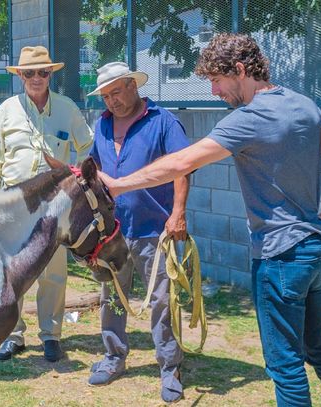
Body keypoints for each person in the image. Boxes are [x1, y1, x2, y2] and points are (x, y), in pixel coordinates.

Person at [99, 34, 321, 406]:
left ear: (240, 70)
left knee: (285, 367)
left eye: (217, 81)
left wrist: (119, 186)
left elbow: (181, 162)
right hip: (317, 249)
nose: (215, 91)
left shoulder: (248, 119)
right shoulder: (303, 105)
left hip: (280, 257)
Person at [85, 62, 190, 403]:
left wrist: (177, 214)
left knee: (161, 299)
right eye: (105, 96)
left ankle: (170, 367)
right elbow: (94, 169)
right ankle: (114, 356)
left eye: (116, 92)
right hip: (112, 231)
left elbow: (183, 168)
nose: (111, 101)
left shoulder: (162, 121)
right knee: (112, 294)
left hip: (153, 230)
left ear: (133, 85)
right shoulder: (101, 125)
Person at [0, 45, 93, 363]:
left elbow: (88, 147)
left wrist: (78, 182)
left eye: (42, 72)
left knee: (53, 272)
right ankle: (13, 335)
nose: (36, 78)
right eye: (29, 73)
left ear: (50, 74)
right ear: (20, 76)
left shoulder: (67, 108)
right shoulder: (6, 110)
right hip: (14, 208)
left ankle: (51, 336)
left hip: (54, 207)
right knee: (12, 274)